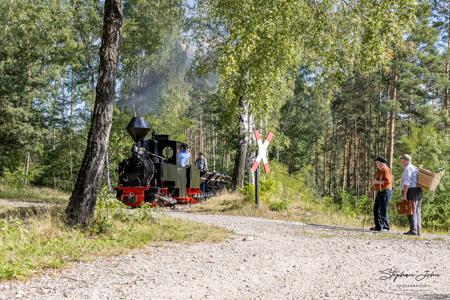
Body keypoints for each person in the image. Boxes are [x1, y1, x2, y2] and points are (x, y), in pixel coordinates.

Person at [400, 154, 423, 236]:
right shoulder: (415, 168)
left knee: (411, 210)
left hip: (411, 191)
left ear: (405, 160)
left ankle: (413, 231)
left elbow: (407, 183)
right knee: (417, 211)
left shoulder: (407, 168)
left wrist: (404, 194)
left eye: (402, 160)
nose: (401, 162)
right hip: (419, 190)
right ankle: (418, 230)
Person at [371, 156, 393, 232]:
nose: (376, 164)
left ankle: (385, 227)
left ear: (380, 163)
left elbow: (388, 182)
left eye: (377, 163)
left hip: (385, 192)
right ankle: (378, 226)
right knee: (376, 209)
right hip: (380, 192)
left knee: (383, 210)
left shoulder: (385, 170)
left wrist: (377, 182)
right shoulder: (380, 170)